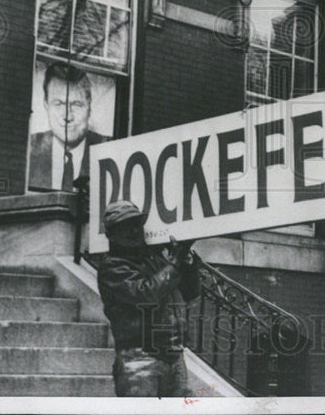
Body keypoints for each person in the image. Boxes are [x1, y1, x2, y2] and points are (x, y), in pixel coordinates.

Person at [97, 199, 201, 397]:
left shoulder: (155, 259)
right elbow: (145, 294)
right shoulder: (112, 266)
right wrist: (175, 263)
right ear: (111, 235)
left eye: (137, 225)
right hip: (139, 359)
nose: (135, 231)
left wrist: (187, 259)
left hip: (174, 356)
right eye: (125, 227)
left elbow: (191, 293)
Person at [28, 62, 107, 191]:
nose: (68, 116)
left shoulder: (109, 150)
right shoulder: (28, 149)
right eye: (59, 104)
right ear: (46, 105)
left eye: (76, 104)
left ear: (89, 107)